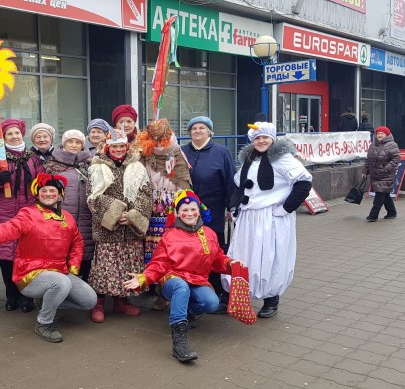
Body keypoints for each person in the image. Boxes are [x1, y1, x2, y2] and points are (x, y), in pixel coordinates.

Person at [0, 173, 96, 343]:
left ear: (60, 194)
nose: (48, 194)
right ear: (38, 194)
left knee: (89, 301)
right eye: (44, 191)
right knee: (60, 283)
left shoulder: (67, 217)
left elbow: (77, 243)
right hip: (30, 274)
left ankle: (46, 303)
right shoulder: (28, 214)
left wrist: (73, 267)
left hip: (60, 272)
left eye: (53, 190)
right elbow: (8, 229)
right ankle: (44, 323)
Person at [123, 190, 241, 362]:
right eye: (184, 210)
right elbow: (159, 264)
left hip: (197, 280)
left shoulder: (209, 234)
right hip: (173, 280)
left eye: (193, 209)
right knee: (181, 287)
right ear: (177, 213)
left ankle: (188, 311)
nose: (190, 213)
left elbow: (217, 259)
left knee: (212, 303)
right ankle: (179, 342)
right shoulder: (169, 236)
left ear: (199, 210)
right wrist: (144, 278)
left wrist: (231, 264)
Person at [225, 122, 312, 318]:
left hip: (271, 217)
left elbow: (304, 182)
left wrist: (285, 208)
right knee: (246, 255)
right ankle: (242, 294)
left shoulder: (282, 158)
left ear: (272, 139)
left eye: (265, 137)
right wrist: (235, 206)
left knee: (270, 257)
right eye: (257, 138)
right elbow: (240, 186)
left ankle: (271, 298)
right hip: (249, 217)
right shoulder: (249, 158)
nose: (261, 141)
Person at [86, 127, 153, 323]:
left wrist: (132, 216)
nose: (118, 149)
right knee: (104, 268)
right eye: (114, 146)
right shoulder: (96, 168)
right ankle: (98, 302)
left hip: (130, 229)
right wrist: (116, 214)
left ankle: (121, 301)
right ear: (107, 147)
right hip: (108, 228)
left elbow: (146, 194)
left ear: (127, 147)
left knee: (126, 267)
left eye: (122, 146)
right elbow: (94, 197)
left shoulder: (137, 167)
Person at [0, 118, 44, 313]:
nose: (14, 136)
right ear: (4, 136)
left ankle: (26, 296)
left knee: (26, 256)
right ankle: (11, 295)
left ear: (22, 134)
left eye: (17, 133)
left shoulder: (32, 158)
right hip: (4, 212)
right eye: (10, 133)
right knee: (7, 257)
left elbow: (41, 182)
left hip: (28, 211)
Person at [134, 118, 192, 310]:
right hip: (149, 208)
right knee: (150, 251)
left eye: (162, 139)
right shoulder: (144, 155)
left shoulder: (177, 155)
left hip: (171, 211)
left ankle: (165, 294)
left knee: (169, 252)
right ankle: (153, 287)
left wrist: (182, 207)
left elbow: (185, 183)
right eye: (155, 139)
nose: (159, 144)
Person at [180, 116, 236, 310]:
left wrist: (232, 206)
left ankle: (217, 289)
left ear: (210, 132)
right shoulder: (182, 152)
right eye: (193, 128)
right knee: (190, 250)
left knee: (213, 250)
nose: (197, 131)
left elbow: (230, 181)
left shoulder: (221, 152)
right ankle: (193, 288)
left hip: (214, 210)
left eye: (201, 128)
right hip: (187, 211)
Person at [44, 130, 95, 282]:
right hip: (62, 218)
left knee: (86, 255)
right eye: (70, 142)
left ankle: (84, 293)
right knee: (62, 255)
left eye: (77, 142)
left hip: (87, 219)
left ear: (82, 145)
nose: (74, 145)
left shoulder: (91, 164)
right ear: (64, 144)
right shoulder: (52, 165)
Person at [362, 126, 400, 222]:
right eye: (378, 133)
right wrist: (365, 172)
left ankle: (373, 215)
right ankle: (392, 212)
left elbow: (395, 160)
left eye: (382, 133)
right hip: (375, 175)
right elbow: (368, 160)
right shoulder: (372, 145)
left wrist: (386, 169)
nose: (380, 135)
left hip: (385, 175)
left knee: (379, 196)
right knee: (385, 194)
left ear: (386, 135)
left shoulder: (392, 145)